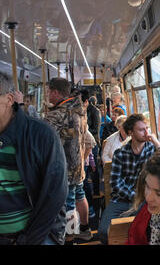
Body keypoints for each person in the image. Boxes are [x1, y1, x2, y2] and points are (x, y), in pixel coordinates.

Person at [0, 73, 67, 245]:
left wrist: (28, 240)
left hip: (36, 234)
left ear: (9, 99)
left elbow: (55, 195)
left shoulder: (42, 135)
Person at [98, 113, 160, 244]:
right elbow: (116, 183)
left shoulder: (152, 150)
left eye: (147, 129)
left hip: (145, 199)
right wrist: (134, 196)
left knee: (147, 229)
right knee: (104, 232)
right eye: (141, 130)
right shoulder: (120, 153)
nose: (146, 133)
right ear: (130, 132)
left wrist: (157, 144)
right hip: (122, 199)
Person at [44, 78, 88, 245]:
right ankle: (85, 229)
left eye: (48, 92)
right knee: (79, 196)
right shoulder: (79, 110)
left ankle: (69, 239)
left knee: (68, 206)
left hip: (65, 169)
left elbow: (42, 139)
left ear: (55, 92)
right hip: (79, 166)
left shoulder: (57, 114)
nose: (47, 95)